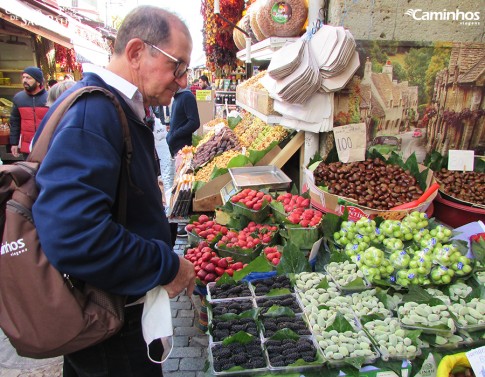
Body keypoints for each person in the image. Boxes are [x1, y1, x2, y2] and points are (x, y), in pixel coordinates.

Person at [31, 6, 196, 377]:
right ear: (137, 52)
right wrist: (166, 266)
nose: (183, 81)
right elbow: (74, 235)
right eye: (178, 66)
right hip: (107, 326)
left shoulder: (119, 110)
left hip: (113, 316)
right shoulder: (95, 115)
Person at [9, 66, 49, 158]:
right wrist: (14, 143)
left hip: (46, 144)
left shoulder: (50, 98)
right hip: (27, 146)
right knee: (29, 171)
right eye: (23, 77)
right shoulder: (18, 98)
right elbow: (15, 122)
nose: (24, 80)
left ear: (38, 82)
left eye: (28, 78)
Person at [165, 86, 200, 157]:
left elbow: (194, 123)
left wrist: (175, 135)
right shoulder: (177, 97)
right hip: (177, 149)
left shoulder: (187, 96)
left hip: (183, 148)